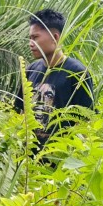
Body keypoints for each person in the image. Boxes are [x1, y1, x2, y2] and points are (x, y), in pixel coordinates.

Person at [15, 8, 94, 144]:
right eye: (30, 38)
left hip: (59, 158)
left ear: (55, 37)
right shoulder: (31, 70)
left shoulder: (77, 73)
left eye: (36, 37)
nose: (30, 43)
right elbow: (20, 112)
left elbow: (85, 123)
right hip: (28, 158)